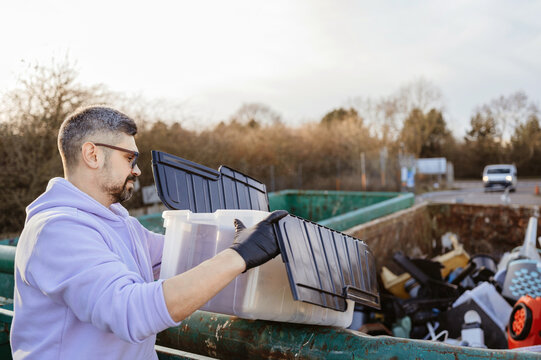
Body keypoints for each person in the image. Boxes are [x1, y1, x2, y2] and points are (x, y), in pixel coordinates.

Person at [10, 105, 287, 359]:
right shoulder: (57, 231)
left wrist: (247, 241)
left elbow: (183, 255)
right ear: (92, 155)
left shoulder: (120, 223)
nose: (138, 170)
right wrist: (238, 255)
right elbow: (131, 312)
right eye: (130, 158)